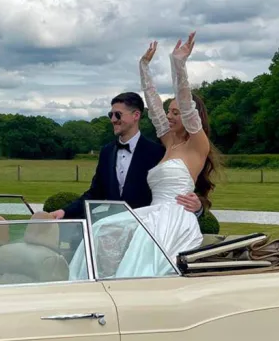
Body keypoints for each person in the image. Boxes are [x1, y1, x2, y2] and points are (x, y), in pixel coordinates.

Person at [56, 32, 218, 263]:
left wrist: (178, 64)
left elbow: (186, 102)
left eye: (175, 112)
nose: (169, 116)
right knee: (102, 229)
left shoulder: (197, 146)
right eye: (169, 111)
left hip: (174, 220)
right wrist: (143, 66)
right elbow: (152, 105)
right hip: (153, 214)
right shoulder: (170, 143)